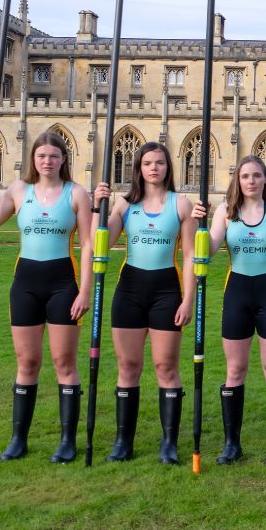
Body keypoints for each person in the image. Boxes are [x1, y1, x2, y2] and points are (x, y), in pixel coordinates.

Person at [0, 131, 93, 462]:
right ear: (33, 159)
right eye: (41, 156)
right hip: (25, 283)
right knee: (27, 362)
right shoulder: (18, 190)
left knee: (63, 362)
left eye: (54, 156)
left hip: (62, 285)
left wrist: (84, 290)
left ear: (63, 159)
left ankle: (67, 441)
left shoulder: (76, 194)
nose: (47, 161)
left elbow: (86, 245)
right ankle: (18, 439)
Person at [93, 142, 195, 465]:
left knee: (166, 367)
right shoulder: (125, 205)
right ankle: (123, 442)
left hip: (167, 291)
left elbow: (191, 255)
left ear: (169, 167)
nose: (154, 168)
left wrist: (188, 299)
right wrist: (100, 208)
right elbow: (103, 244)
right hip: (130, 291)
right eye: (148, 163)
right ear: (138, 167)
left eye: (160, 163)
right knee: (128, 367)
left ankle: (169, 444)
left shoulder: (181, 205)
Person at [191, 155, 266, 465]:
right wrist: (200, 225)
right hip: (236, 292)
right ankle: (231, 444)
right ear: (238, 180)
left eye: (256, 175)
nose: (250, 180)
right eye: (245, 176)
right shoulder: (225, 212)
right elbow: (208, 251)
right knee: (235, 370)